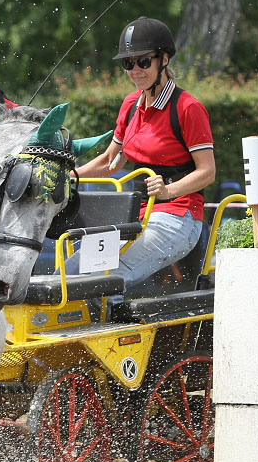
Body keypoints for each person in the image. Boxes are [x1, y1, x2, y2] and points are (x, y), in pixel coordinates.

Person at [70, 16, 215, 288]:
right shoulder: (130, 105)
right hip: (135, 218)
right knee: (67, 276)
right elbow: (110, 162)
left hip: (178, 217)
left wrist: (168, 191)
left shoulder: (188, 108)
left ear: (165, 59)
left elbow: (207, 172)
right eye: (128, 63)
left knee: (97, 281)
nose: (135, 69)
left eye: (144, 61)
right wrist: (68, 177)